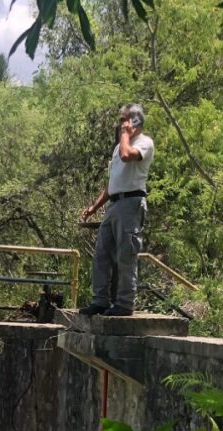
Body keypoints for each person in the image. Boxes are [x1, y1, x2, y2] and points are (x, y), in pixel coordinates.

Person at [78, 104, 155, 317]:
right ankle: (100, 301)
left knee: (125, 256)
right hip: (114, 205)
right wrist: (94, 207)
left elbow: (127, 155)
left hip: (131, 204)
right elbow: (112, 182)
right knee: (101, 254)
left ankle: (124, 304)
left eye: (124, 119)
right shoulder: (118, 147)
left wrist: (125, 135)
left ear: (136, 121)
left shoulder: (144, 143)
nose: (121, 124)